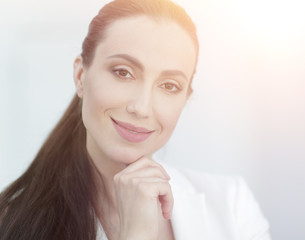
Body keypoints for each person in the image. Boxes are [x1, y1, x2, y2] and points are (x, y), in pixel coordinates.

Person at [0, 0, 271, 239]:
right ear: (81, 76)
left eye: (169, 86)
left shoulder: (232, 206)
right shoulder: (11, 223)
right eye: (123, 72)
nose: (141, 107)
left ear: (185, 98)